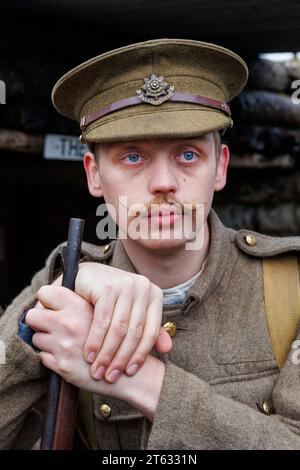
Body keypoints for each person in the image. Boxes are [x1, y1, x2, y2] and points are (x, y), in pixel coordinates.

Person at [1, 38, 300, 450]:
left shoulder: (292, 286)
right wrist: (37, 323)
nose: (163, 182)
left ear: (221, 168)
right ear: (93, 175)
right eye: (133, 157)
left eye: (189, 155)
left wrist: (137, 379)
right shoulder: (62, 286)